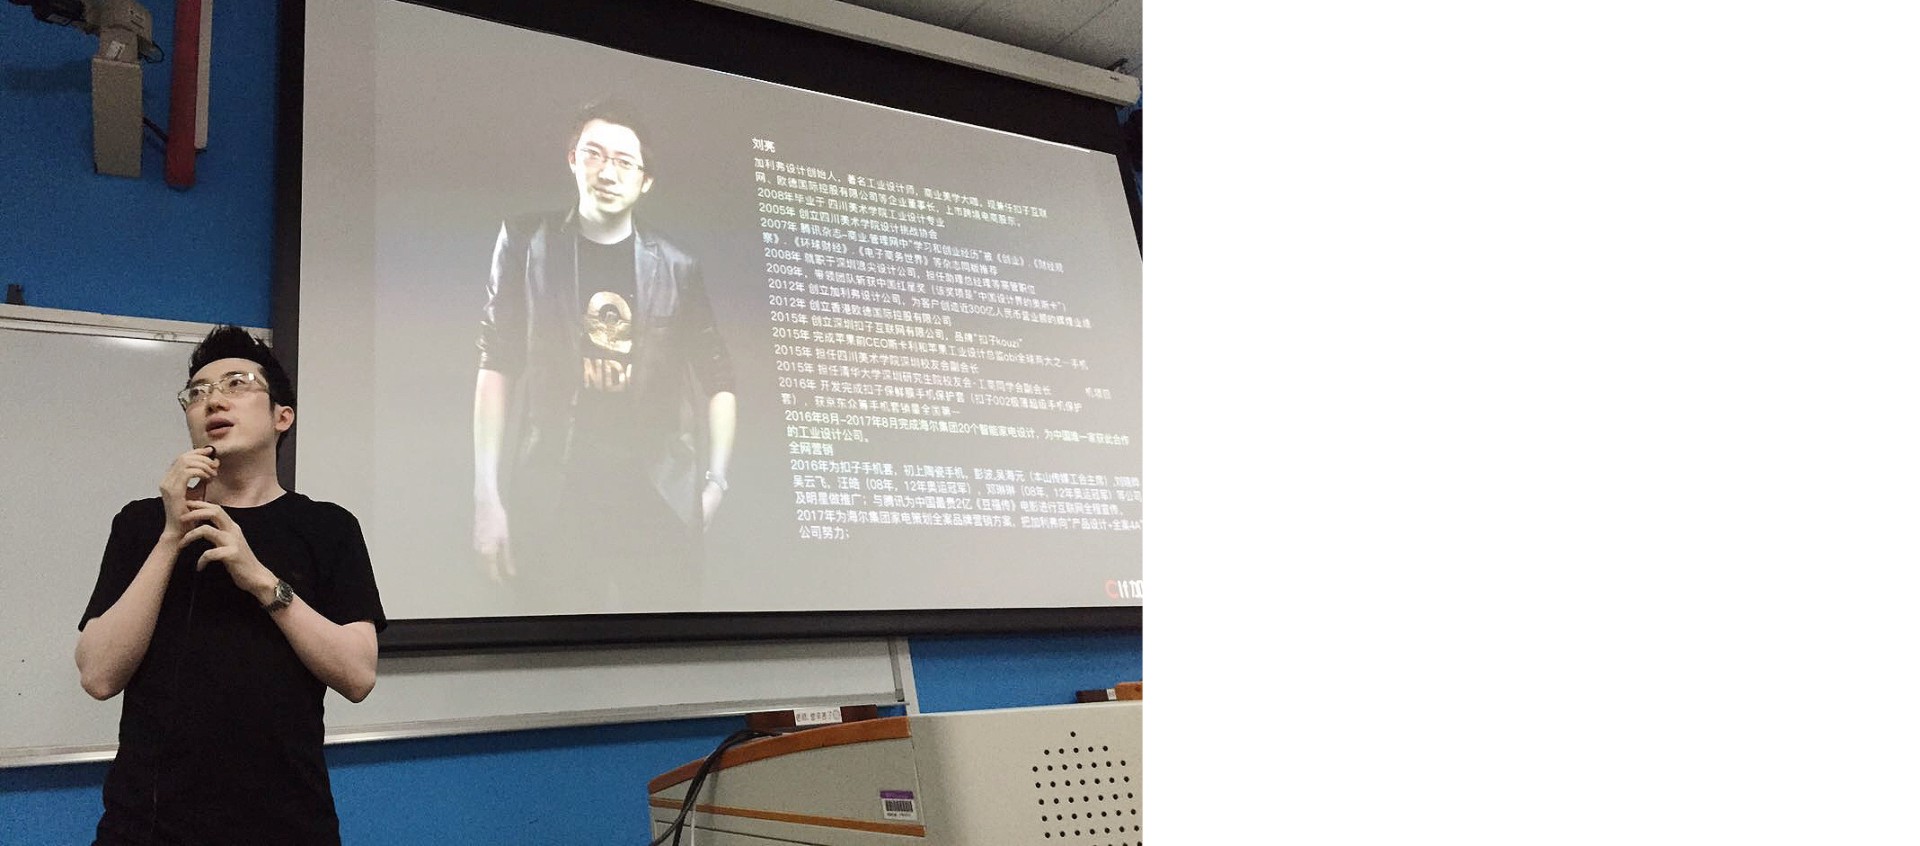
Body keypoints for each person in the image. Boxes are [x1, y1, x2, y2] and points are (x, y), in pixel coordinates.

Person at [75, 325, 386, 845]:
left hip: (288, 828)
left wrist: (261, 580)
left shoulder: (329, 527)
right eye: (197, 393)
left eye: (237, 384)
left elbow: (358, 676)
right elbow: (98, 676)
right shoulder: (141, 524)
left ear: (282, 417)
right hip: (147, 829)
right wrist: (172, 535)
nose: (213, 400)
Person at [472, 99, 735, 611]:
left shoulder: (678, 265)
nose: (607, 173)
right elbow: (496, 363)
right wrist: (487, 495)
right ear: (572, 159)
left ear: (645, 180)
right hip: (554, 490)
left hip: (658, 495)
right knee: (556, 636)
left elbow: (718, 377)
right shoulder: (527, 243)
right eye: (593, 154)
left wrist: (715, 485)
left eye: (624, 162)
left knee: (664, 639)